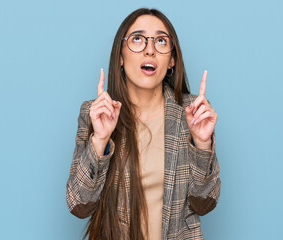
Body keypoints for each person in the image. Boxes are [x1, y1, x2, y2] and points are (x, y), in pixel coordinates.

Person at [66, 8, 221, 240]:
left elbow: (204, 204)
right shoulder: (95, 113)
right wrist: (100, 141)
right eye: (137, 39)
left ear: (171, 60)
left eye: (160, 41)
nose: (149, 50)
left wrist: (202, 145)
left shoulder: (192, 113)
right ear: (120, 56)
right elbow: (79, 204)